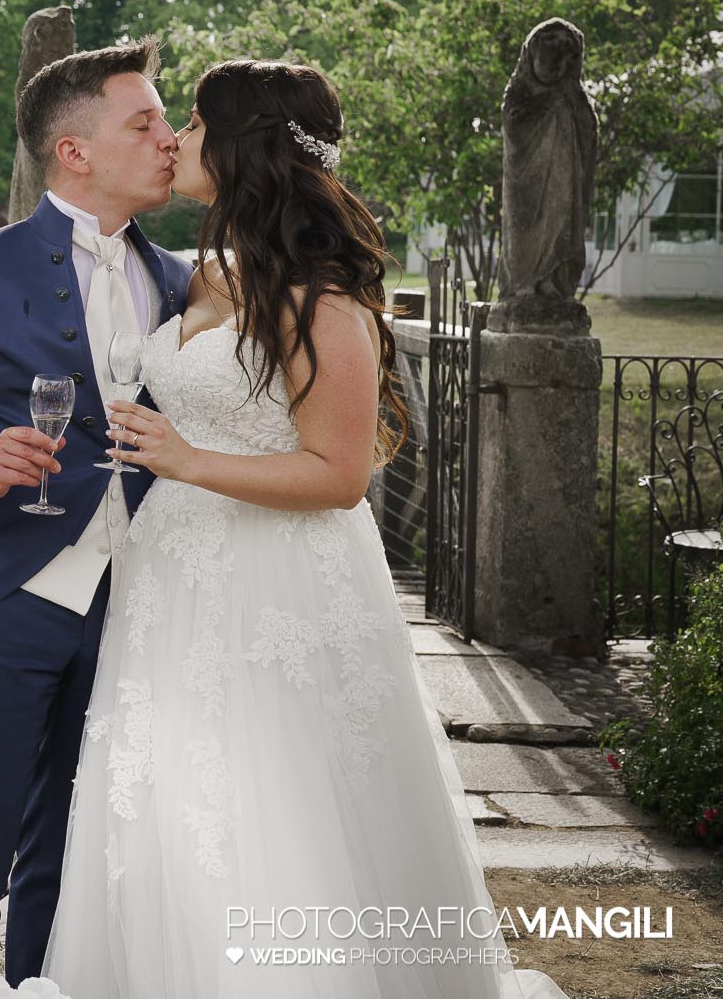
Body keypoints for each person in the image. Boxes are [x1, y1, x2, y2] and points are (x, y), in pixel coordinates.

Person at [43, 59, 567, 998]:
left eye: (195, 125)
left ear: (243, 148)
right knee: (163, 800)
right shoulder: (207, 278)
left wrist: (185, 458)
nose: (178, 140)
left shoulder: (320, 299)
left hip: (276, 586)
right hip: (172, 585)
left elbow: (337, 475)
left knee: (268, 808)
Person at [0, 36, 193, 985]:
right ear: (75, 151)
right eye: (145, 123)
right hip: (4, 599)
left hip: (141, 606)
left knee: (77, 852)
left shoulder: (184, 281)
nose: (170, 139)